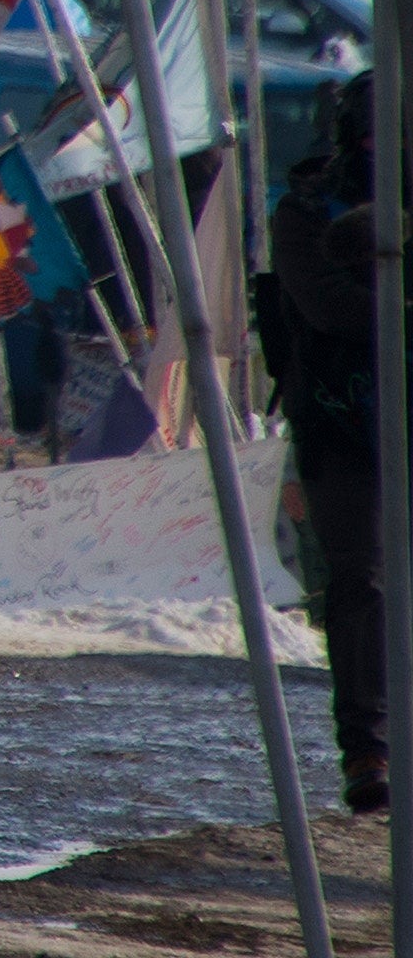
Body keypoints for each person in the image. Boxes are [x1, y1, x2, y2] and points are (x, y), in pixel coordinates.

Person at [268, 69, 389, 815]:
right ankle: (367, 747)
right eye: (372, 135)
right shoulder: (306, 209)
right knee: (360, 579)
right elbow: (327, 303)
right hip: (340, 423)